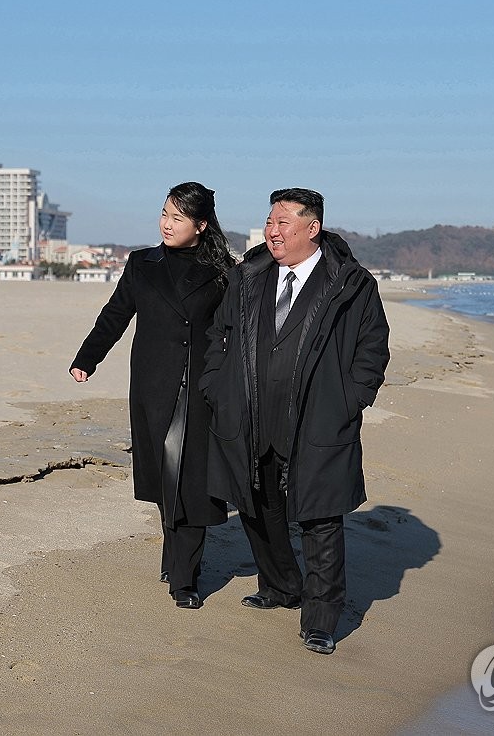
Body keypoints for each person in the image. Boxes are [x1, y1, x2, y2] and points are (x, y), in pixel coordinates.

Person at [200, 187, 390, 654]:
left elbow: (373, 347)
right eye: (269, 221)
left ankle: (321, 619)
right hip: (249, 412)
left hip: (318, 416)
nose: (272, 231)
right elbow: (220, 334)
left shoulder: (352, 282)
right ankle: (281, 586)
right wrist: (215, 384)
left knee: (319, 517)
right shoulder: (250, 275)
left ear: (313, 228)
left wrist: (349, 400)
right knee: (255, 502)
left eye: (283, 222)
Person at [70, 182, 235, 609]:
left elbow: (236, 332)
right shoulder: (142, 263)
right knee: (165, 476)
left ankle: (185, 577)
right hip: (153, 385)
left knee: (192, 480)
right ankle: (174, 553)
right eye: (165, 213)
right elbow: (116, 314)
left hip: (200, 388)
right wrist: (88, 357)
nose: (167, 223)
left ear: (200, 225)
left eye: (178, 217)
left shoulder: (222, 272)